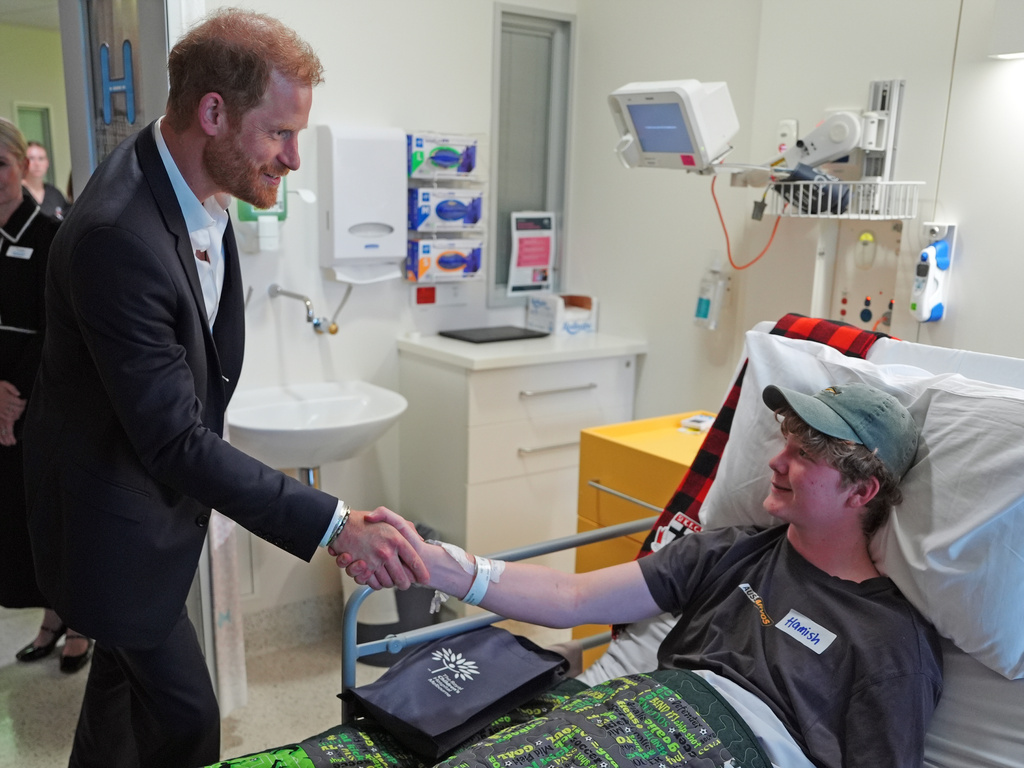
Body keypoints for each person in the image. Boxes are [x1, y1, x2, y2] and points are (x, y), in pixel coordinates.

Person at [21, 10, 427, 768]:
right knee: (187, 717)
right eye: (280, 133)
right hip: (110, 523)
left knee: (117, 693)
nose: (295, 158)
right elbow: (174, 438)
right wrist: (337, 526)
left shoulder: (192, 182)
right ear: (213, 112)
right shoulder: (119, 235)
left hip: (147, 505)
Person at [375, 382, 943, 768]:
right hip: (637, 709)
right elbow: (573, 597)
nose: (776, 461)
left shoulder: (889, 638)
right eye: (783, 443)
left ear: (862, 491)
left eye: (804, 455)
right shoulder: (728, 553)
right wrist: (438, 564)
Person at [0, 118, 92, 673]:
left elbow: (61, 332)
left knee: (55, 515)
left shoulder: (49, 235)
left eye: (0, 165)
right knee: (16, 516)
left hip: (44, 400)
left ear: (23, 167)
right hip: (0, 402)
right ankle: (51, 617)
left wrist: (17, 399)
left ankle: (80, 622)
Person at [22, 140, 69, 220]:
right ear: (22, 162)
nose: (37, 164)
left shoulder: (55, 194)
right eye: (31, 158)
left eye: (41, 159)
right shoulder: (15, 194)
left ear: (47, 163)